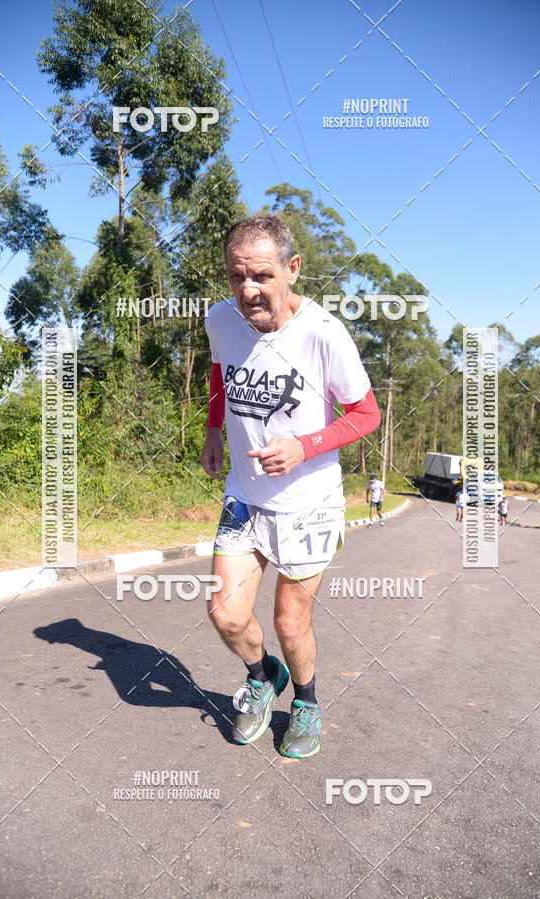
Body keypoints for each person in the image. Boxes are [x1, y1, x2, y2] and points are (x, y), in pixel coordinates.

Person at [200, 216, 380, 758]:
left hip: (308, 504)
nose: (249, 290)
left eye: (261, 275)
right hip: (244, 495)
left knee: (288, 619)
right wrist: (213, 430)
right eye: (237, 277)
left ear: (291, 268)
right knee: (226, 613)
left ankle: (306, 701)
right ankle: (262, 676)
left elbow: (365, 413)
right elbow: (219, 370)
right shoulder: (221, 319)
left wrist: (305, 446)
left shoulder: (323, 332)